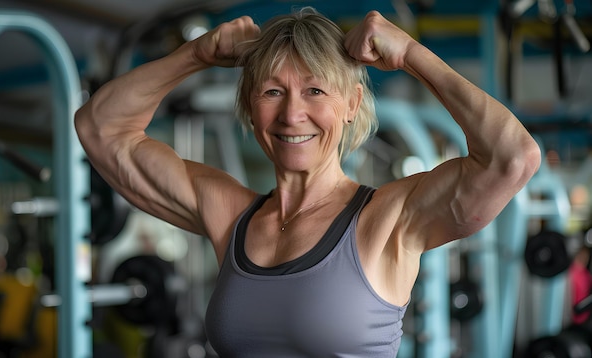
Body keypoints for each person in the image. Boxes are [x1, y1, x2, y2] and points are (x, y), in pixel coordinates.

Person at [74, 7, 541, 357]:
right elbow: (100, 127)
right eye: (272, 91)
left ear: (352, 103)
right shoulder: (229, 214)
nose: (292, 114)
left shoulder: (389, 220)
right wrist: (194, 55)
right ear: (250, 107)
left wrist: (412, 55)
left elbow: (513, 156)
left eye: (315, 90)